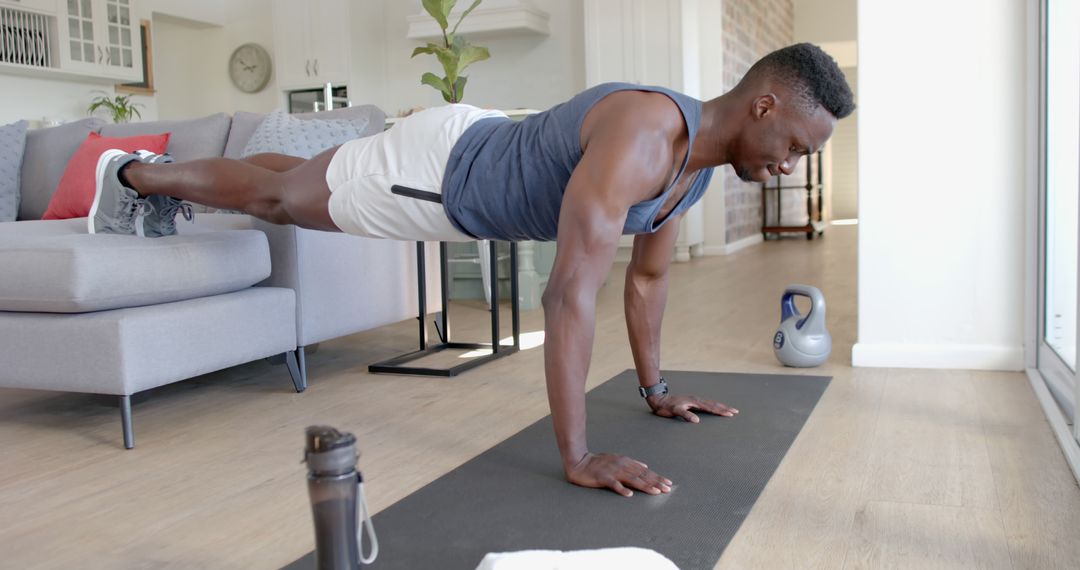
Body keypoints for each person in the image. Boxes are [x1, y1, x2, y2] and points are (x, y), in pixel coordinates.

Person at [89, 43, 855, 497]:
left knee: (300, 181)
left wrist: (655, 391)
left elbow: (647, 279)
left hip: (467, 151)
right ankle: (132, 178)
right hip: (442, 178)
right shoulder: (647, 136)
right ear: (763, 105)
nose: (791, 165)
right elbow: (566, 297)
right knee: (282, 199)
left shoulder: (693, 166)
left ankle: (162, 174)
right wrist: (577, 456)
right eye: (796, 145)